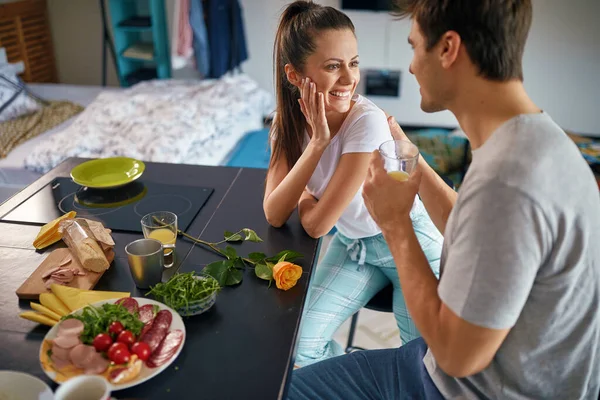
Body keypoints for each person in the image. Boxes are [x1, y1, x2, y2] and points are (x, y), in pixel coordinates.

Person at [287, 0, 600, 399]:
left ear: (448, 49)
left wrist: (397, 225)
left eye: (416, 46)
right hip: (470, 366)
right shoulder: (534, 138)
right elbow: (476, 228)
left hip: (466, 386)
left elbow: (455, 357)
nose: (413, 65)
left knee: (289, 390)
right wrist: (413, 163)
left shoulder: (507, 183)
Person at [263, 1, 444, 367]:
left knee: (421, 362)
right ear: (295, 75)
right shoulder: (288, 122)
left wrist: (306, 195)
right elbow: (274, 213)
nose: (349, 78)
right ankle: (354, 382)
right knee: (296, 345)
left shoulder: (368, 123)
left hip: (412, 244)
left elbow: (317, 224)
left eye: (353, 62)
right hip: (355, 246)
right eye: (333, 66)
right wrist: (316, 145)